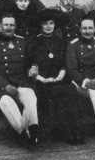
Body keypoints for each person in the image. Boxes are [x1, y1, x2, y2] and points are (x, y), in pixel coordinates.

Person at [0, 14, 39, 148]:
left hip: (20, 82)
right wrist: (5, 86)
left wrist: (34, 67)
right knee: (7, 102)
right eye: (6, 25)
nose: (9, 28)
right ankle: (24, 134)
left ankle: (33, 131)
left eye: (12, 25)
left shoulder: (22, 41)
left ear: (15, 27)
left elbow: (32, 60)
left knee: (30, 97)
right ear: (0, 27)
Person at [28, 9, 84, 145]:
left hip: (59, 77)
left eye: (51, 23)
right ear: (40, 25)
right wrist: (42, 79)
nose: (48, 26)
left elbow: (65, 63)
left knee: (70, 89)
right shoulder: (33, 42)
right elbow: (29, 65)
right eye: (45, 24)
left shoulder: (61, 41)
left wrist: (60, 76)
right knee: (53, 92)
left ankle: (76, 131)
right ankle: (65, 132)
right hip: (41, 80)